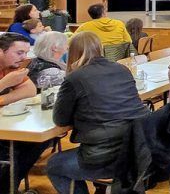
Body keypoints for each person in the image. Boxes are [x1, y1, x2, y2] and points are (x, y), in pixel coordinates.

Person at [49, 32, 148, 194]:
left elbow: (60, 119)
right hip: (138, 150)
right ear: (100, 49)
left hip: (106, 157)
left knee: (54, 165)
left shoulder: (75, 78)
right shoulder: (122, 69)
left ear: (72, 52)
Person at [0, 33, 50, 194]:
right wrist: (4, 83)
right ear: (1, 51)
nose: (24, 57)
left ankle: (9, 186)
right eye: (19, 52)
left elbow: (29, 90)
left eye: (26, 53)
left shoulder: (11, 66)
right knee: (10, 150)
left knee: (42, 140)